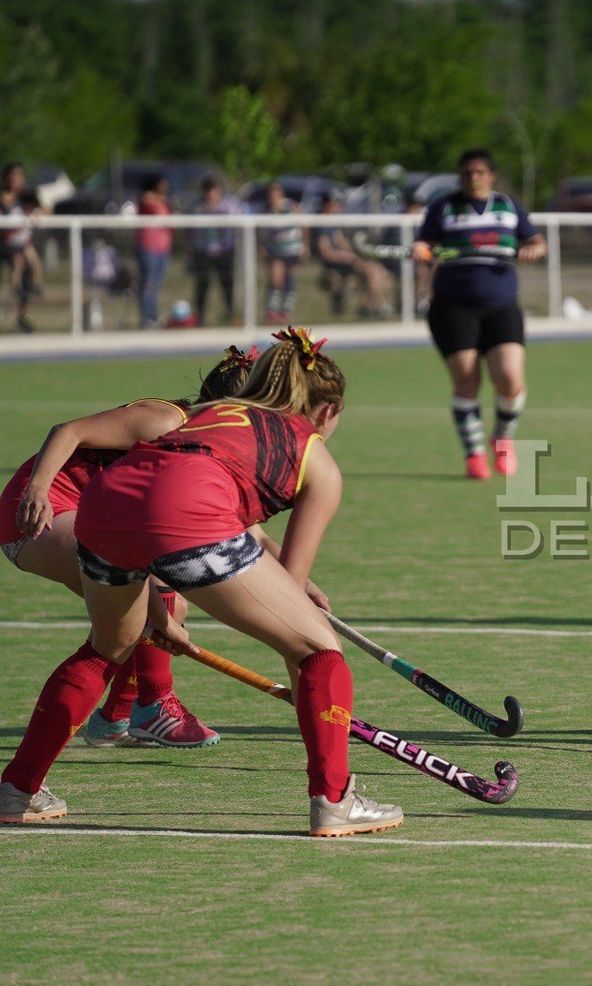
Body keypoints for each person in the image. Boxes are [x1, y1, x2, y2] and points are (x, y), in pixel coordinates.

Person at [0, 330, 402, 837]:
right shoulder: (314, 456)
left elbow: (194, 495)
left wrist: (161, 613)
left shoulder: (208, 415)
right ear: (326, 411)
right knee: (320, 648)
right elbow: (290, 604)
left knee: (108, 646)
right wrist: (311, 673)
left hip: (102, 510)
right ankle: (334, 799)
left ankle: (17, 789)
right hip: (145, 514)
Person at [0, 347, 262, 749]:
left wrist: (301, 582)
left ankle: (118, 716)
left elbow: (245, 530)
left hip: (97, 519)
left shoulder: (209, 448)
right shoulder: (166, 420)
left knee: (159, 610)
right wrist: (37, 490)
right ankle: (152, 705)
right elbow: (68, 431)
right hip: (42, 509)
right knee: (151, 597)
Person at [413, 148, 546, 480]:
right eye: (467, 173)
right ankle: (473, 454)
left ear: (491, 175)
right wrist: (422, 250)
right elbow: (425, 246)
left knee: (511, 379)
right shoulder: (443, 208)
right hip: (453, 307)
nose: (473, 177)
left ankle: (502, 438)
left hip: (501, 305)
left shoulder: (509, 206)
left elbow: (536, 241)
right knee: (467, 380)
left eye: (479, 172)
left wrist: (533, 248)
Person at [314, 193, 391, 318]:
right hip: (336, 264)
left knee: (376, 270)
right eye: (336, 204)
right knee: (373, 271)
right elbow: (326, 252)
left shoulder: (334, 224)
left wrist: (356, 253)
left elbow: (342, 243)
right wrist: (348, 257)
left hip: (347, 262)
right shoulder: (321, 224)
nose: (339, 208)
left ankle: (368, 305)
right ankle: (376, 306)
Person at [189, 176, 239, 326]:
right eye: (208, 190)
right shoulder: (197, 207)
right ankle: (200, 316)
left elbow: (238, 220)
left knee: (227, 283)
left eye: (214, 190)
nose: (211, 194)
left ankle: (230, 314)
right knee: (202, 283)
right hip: (203, 251)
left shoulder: (228, 205)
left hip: (224, 250)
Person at [0, 163, 42, 332]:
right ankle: (15, 286)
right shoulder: (5, 196)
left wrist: (37, 212)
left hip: (20, 244)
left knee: (31, 262)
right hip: (4, 243)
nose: (18, 179)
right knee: (19, 260)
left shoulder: (28, 196)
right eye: (15, 175)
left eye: (20, 175)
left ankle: (24, 313)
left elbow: (44, 209)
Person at [261, 181, 305, 324]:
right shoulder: (266, 210)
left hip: (292, 248)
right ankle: (272, 311)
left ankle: (286, 312)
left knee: (289, 280)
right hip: (276, 250)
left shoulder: (290, 206)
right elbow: (262, 231)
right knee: (276, 279)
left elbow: (303, 224)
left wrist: (305, 244)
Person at [136, 174, 172, 328]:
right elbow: (150, 204)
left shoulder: (163, 200)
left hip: (162, 247)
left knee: (155, 284)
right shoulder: (148, 198)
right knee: (148, 284)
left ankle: (154, 315)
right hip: (148, 246)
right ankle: (148, 318)